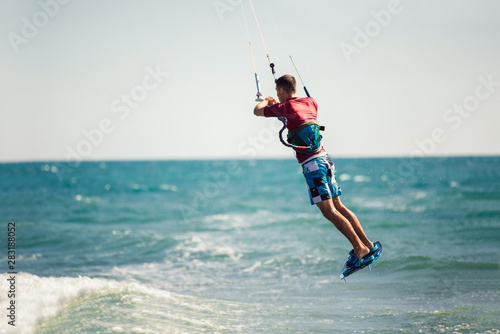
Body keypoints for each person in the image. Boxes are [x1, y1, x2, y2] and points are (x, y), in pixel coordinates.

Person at [253, 74, 380, 270]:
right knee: (340, 206)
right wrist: (275, 101)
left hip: (313, 166)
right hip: (326, 160)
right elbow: (295, 114)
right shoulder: (310, 102)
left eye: (278, 92)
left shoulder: (286, 107)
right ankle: (369, 245)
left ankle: (359, 249)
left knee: (329, 212)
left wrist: (267, 100)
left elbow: (257, 111)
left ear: (282, 91)